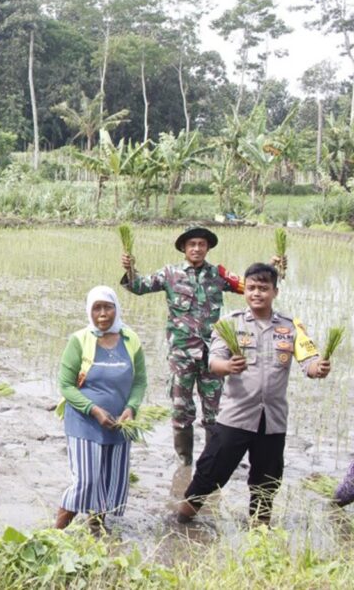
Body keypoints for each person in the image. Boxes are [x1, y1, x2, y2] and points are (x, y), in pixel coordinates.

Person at [177, 263, 331, 525]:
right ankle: (181, 520)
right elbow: (214, 362)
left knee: (267, 482)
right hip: (235, 417)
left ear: (275, 292)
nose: (257, 293)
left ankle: (259, 533)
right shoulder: (229, 324)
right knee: (210, 473)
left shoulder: (291, 327)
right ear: (244, 290)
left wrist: (319, 369)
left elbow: (309, 361)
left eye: (263, 288)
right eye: (251, 288)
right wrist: (228, 366)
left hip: (272, 421)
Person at [120, 226, 251, 465]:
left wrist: (277, 267)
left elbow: (252, 287)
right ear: (184, 248)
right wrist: (130, 269)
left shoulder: (219, 275)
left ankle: (211, 464)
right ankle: (185, 462)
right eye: (192, 244)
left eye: (202, 244)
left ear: (208, 248)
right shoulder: (170, 274)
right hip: (181, 356)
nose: (197, 249)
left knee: (214, 413)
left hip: (213, 355)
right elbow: (138, 287)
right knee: (181, 411)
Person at [55, 286, 147, 533]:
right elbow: (65, 385)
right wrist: (94, 409)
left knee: (109, 483)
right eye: (97, 308)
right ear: (89, 311)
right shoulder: (80, 340)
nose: (103, 314)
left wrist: (131, 408)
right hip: (85, 422)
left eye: (108, 307)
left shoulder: (131, 339)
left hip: (120, 423)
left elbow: (139, 381)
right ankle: (54, 534)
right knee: (86, 481)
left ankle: (96, 531)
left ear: (116, 309)